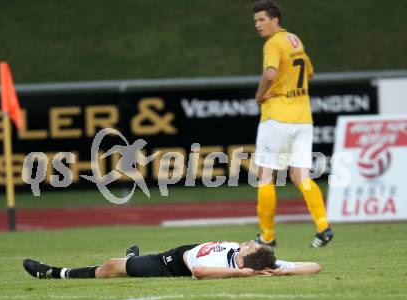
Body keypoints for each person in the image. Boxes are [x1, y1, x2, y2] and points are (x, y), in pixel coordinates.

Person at [252, 0, 334, 248]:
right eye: (255, 21)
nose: (257, 25)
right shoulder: (294, 40)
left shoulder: (273, 43)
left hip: (278, 115)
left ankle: (267, 237)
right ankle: (323, 227)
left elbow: (270, 73)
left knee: (265, 175)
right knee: (301, 175)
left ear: (275, 20)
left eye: (262, 19)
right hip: (303, 118)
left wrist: (260, 94)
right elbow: (309, 72)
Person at [22, 241, 320, 280]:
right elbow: (314, 266)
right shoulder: (265, 262)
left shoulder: (231, 266)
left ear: (243, 262)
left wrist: (245, 276)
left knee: (112, 267)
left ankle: (52, 273)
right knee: (123, 262)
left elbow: (200, 272)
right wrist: (280, 272)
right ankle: (131, 257)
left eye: (249, 246)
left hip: (170, 263)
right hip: (184, 248)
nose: (246, 243)